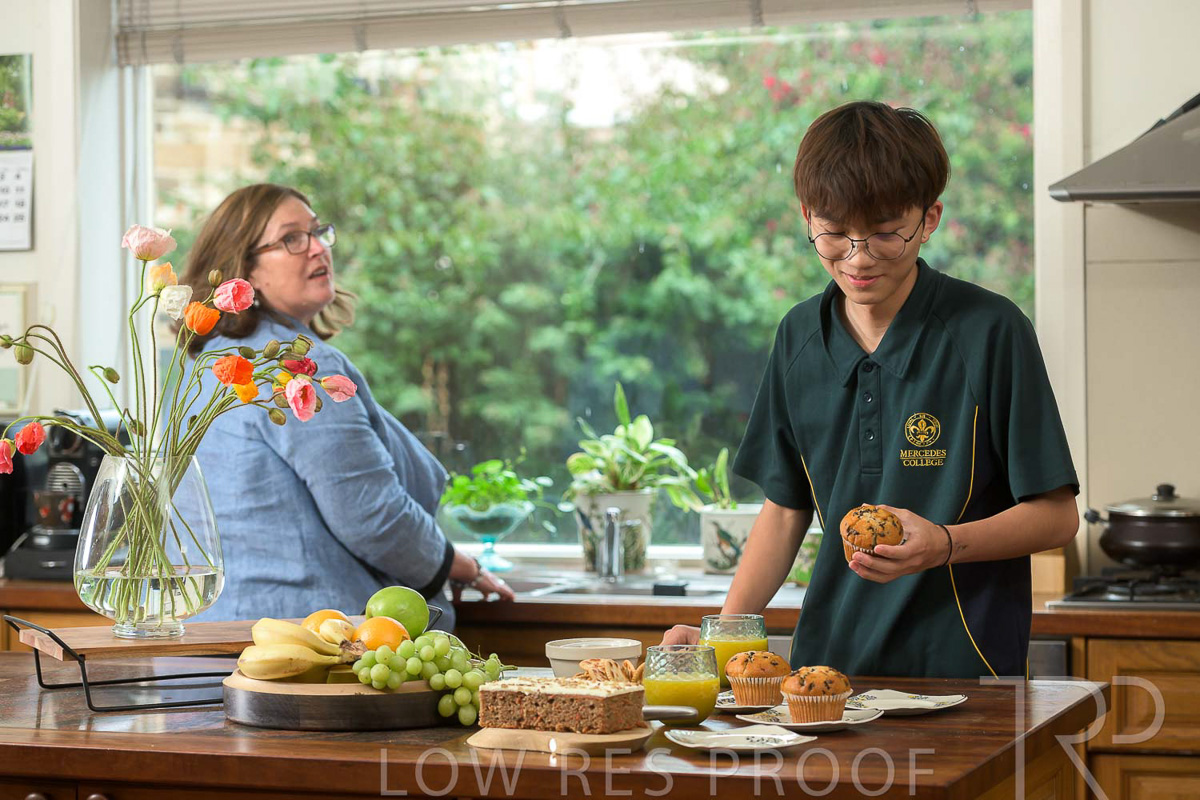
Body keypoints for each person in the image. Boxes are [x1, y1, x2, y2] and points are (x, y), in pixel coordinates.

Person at [661, 102, 1079, 678]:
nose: (858, 257)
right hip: (826, 676)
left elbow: (1056, 516)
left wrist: (944, 543)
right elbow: (784, 511)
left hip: (965, 670)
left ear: (929, 219)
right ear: (807, 216)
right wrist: (721, 635)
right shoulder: (798, 337)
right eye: (834, 233)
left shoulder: (991, 331)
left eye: (885, 232)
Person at [179, 183, 513, 628]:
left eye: (318, 232)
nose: (319, 248)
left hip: (211, 631)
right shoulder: (298, 367)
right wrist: (460, 565)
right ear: (246, 271)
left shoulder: (205, 364)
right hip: (318, 638)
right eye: (292, 239)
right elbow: (371, 515)